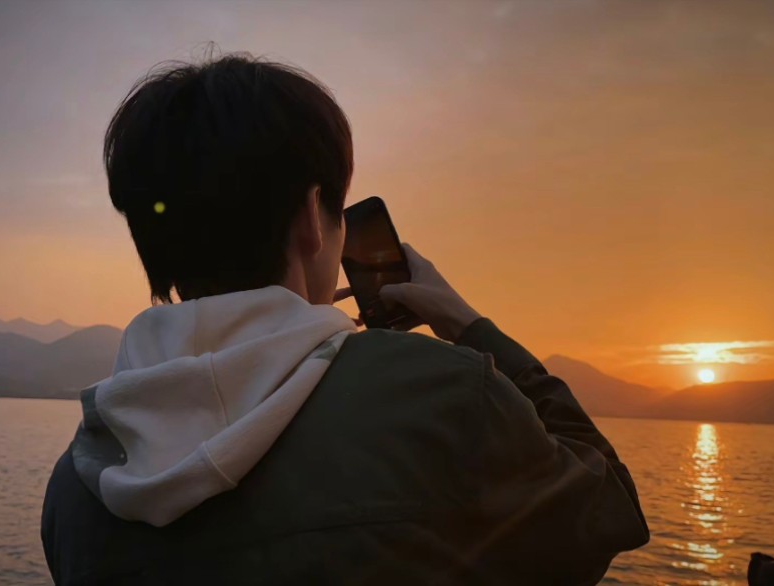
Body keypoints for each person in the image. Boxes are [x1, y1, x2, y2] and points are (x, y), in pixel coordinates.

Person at [41, 53, 649, 586]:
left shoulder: (75, 487)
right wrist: (466, 325)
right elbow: (611, 511)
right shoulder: (445, 395)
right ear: (312, 217)